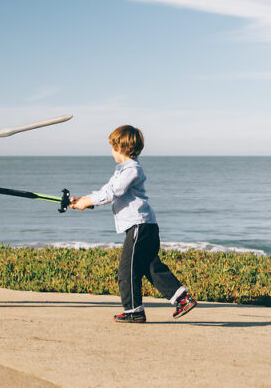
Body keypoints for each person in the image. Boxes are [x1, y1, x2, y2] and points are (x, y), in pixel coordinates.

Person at [71, 125, 197, 323]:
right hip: (143, 226)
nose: (111, 151)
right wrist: (84, 200)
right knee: (150, 266)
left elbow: (113, 193)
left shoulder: (132, 170)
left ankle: (134, 310)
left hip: (140, 227)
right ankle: (182, 299)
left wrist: (88, 202)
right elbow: (106, 191)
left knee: (127, 269)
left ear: (122, 148)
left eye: (113, 147)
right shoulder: (121, 171)